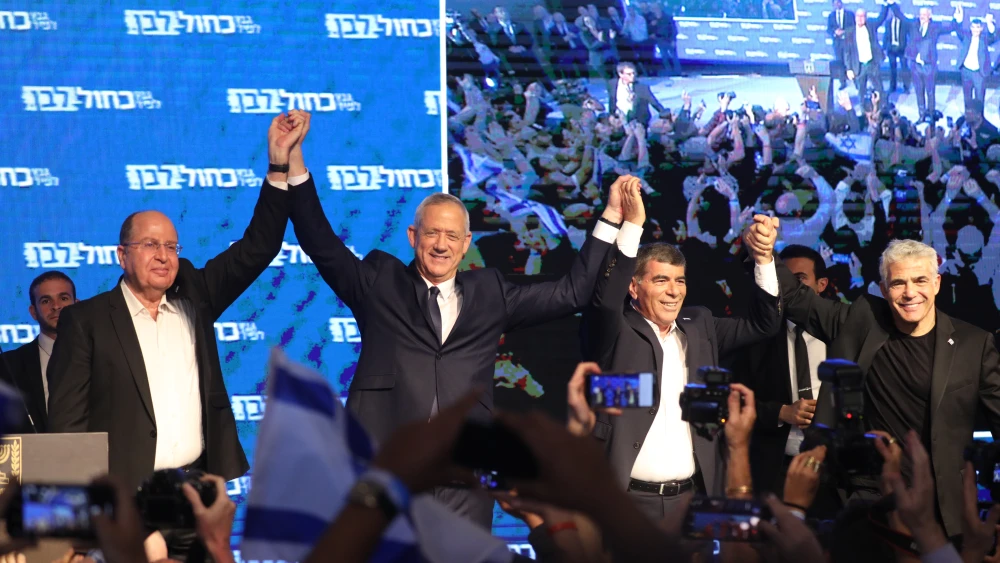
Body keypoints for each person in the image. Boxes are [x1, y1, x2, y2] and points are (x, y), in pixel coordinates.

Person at [285, 113, 633, 528]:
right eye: (432, 233)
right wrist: (294, 161)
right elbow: (320, 242)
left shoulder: (490, 294)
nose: (441, 245)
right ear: (413, 236)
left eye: (452, 236)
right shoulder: (379, 283)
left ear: (466, 244)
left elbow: (571, 292)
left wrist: (612, 217)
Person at [47, 113, 306, 493]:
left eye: (171, 246)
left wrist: (278, 165)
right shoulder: (86, 321)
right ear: (122, 255)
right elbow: (67, 425)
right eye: (150, 245)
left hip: (196, 490)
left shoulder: (195, 297)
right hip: (125, 499)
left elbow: (258, 247)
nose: (163, 256)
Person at [745, 222, 1000, 538]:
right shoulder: (862, 321)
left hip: (944, 504)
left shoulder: (973, 344)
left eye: (920, 280)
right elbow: (799, 300)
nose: (910, 292)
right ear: (883, 288)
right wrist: (764, 254)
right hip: (871, 500)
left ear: (936, 283)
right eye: (898, 283)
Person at [582, 193, 782, 521]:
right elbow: (605, 299)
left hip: (691, 501)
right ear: (633, 288)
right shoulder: (614, 327)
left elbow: (764, 324)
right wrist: (632, 225)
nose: (674, 291)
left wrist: (763, 260)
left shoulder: (699, 323)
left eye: (680, 281)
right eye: (661, 280)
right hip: (625, 501)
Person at [734, 245, 840, 516]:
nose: (788, 287)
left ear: (821, 285)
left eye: (799, 280)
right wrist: (781, 412)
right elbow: (734, 399)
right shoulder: (757, 337)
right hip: (776, 469)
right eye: (783, 279)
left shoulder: (843, 333)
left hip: (835, 471)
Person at [0, 271, 78, 433]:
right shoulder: (7, 365)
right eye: (45, 301)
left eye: (64, 298)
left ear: (77, 305)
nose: (56, 306)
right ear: (33, 312)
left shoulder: (102, 357)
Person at [891, 2, 961, 123]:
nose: (922, 16)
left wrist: (957, 18)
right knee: (919, 91)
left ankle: (931, 114)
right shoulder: (913, 24)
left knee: (930, 92)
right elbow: (900, 16)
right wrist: (892, 4)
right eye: (920, 14)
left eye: (924, 14)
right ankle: (922, 115)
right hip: (916, 66)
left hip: (929, 66)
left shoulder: (935, 27)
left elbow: (950, 28)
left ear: (930, 15)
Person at [844, 6, 889, 102]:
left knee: (879, 88)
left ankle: (882, 107)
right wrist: (849, 69)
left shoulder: (871, 26)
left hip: (872, 63)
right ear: (855, 17)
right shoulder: (849, 32)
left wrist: (886, 4)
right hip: (859, 66)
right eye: (858, 16)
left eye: (862, 16)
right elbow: (847, 52)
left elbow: (881, 18)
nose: (860, 18)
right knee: (861, 91)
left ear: (866, 17)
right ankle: (863, 109)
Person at [954, 15, 997, 110]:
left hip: (979, 73)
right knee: (967, 98)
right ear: (970, 28)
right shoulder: (966, 36)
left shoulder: (985, 39)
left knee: (979, 99)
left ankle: (979, 118)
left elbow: (994, 36)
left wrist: (989, 23)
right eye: (973, 27)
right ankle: (968, 116)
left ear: (981, 28)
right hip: (966, 72)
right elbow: (958, 30)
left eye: (977, 27)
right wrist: (959, 19)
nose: (975, 30)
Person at [827, 0, 854, 89]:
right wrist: (835, 32)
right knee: (840, 62)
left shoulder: (849, 14)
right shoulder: (831, 16)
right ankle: (842, 81)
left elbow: (853, 27)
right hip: (837, 43)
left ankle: (855, 80)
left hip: (848, 42)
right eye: (834, 3)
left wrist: (845, 32)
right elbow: (829, 29)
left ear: (841, 3)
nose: (836, 5)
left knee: (850, 61)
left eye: (838, 2)